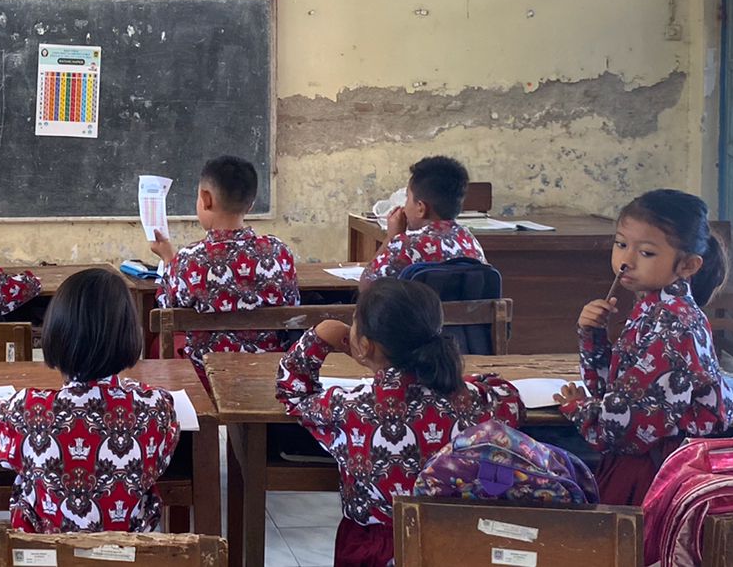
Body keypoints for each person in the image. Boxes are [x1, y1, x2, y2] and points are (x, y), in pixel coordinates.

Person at [276, 278, 524, 567]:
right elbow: (508, 397)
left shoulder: (348, 407)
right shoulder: (476, 401)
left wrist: (319, 337)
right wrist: (458, 382)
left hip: (375, 549)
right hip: (456, 543)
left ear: (364, 346)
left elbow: (292, 392)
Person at [0, 269, 180, 532]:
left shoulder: (28, 408)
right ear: (128, 334)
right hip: (128, 552)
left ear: (56, 333)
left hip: (43, 551)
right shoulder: (156, 408)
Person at [553, 189, 733, 505]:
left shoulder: (674, 323)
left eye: (647, 253)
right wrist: (593, 335)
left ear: (688, 265)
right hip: (646, 457)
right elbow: (614, 388)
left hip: (655, 468)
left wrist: (580, 409)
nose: (626, 261)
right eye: (621, 244)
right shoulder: (653, 307)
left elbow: (630, 424)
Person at [150, 155, 298, 377]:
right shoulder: (279, 252)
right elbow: (293, 303)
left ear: (206, 198)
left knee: (158, 342)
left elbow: (166, 308)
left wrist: (168, 260)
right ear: (251, 205)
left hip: (205, 375)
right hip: (267, 373)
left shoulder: (189, 260)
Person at [366, 155, 484, 280]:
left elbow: (367, 284)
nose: (404, 206)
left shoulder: (406, 245)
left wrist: (391, 238)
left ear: (421, 208)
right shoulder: (469, 239)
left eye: (407, 198)